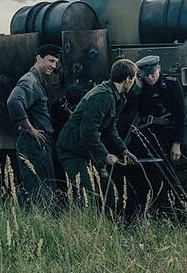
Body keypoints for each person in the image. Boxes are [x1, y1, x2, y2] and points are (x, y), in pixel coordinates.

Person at [56, 59, 138, 204]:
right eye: (134, 78)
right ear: (127, 79)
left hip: (88, 150)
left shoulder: (117, 97)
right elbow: (88, 132)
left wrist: (123, 150)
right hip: (73, 151)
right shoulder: (102, 96)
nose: (134, 82)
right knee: (88, 197)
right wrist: (105, 155)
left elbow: (110, 128)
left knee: (110, 194)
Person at [6, 44, 60, 206]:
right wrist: (31, 129)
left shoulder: (39, 80)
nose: (53, 65)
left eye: (56, 62)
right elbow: (14, 101)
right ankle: (35, 220)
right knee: (37, 186)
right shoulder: (30, 80)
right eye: (50, 60)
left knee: (44, 184)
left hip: (39, 141)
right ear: (38, 58)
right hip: (33, 142)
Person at [129, 55, 187, 162]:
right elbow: (127, 110)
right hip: (143, 134)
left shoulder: (171, 84)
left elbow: (180, 114)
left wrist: (177, 143)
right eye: (146, 75)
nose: (150, 77)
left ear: (159, 69)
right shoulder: (140, 87)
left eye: (152, 73)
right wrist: (136, 89)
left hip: (165, 134)